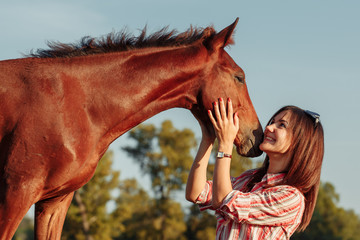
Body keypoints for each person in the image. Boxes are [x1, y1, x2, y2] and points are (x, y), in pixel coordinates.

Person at [186, 98, 324, 239]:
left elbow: (225, 201)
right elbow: (196, 193)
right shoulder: (249, 179)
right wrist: (208, 139)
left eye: (282, 125)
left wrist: (226, 144)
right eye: (272, 122)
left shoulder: (292, 198)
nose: (269, 128)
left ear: (300, 142)